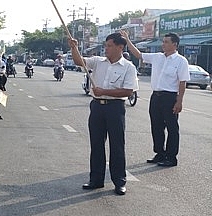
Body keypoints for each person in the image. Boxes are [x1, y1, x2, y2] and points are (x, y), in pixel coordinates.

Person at [69, 32, 138, 195]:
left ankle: (119, 181)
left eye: (109, 46)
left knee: (117, 146)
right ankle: (96, 179)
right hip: (97, 107)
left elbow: (128, 91)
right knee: (97, 144)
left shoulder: (128, 67)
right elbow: (79, 61)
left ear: (120, 47)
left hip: (115, 108)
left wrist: (104, 91)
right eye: (105, 45)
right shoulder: (98, 62)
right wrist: (74, 48)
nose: (106, 49)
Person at [122, 30, 189, 167]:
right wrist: (128, 40)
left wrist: (179, 101)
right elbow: (139, 55)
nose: (163, 44)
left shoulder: (181, 61)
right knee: (156, 126)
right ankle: (160, 153)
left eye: (166, 42)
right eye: (163, 42)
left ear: (175, 45)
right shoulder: (157, 57)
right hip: (156, 97)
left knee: (172, 127)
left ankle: (171, 157)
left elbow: (182, 82)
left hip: (170, 97)